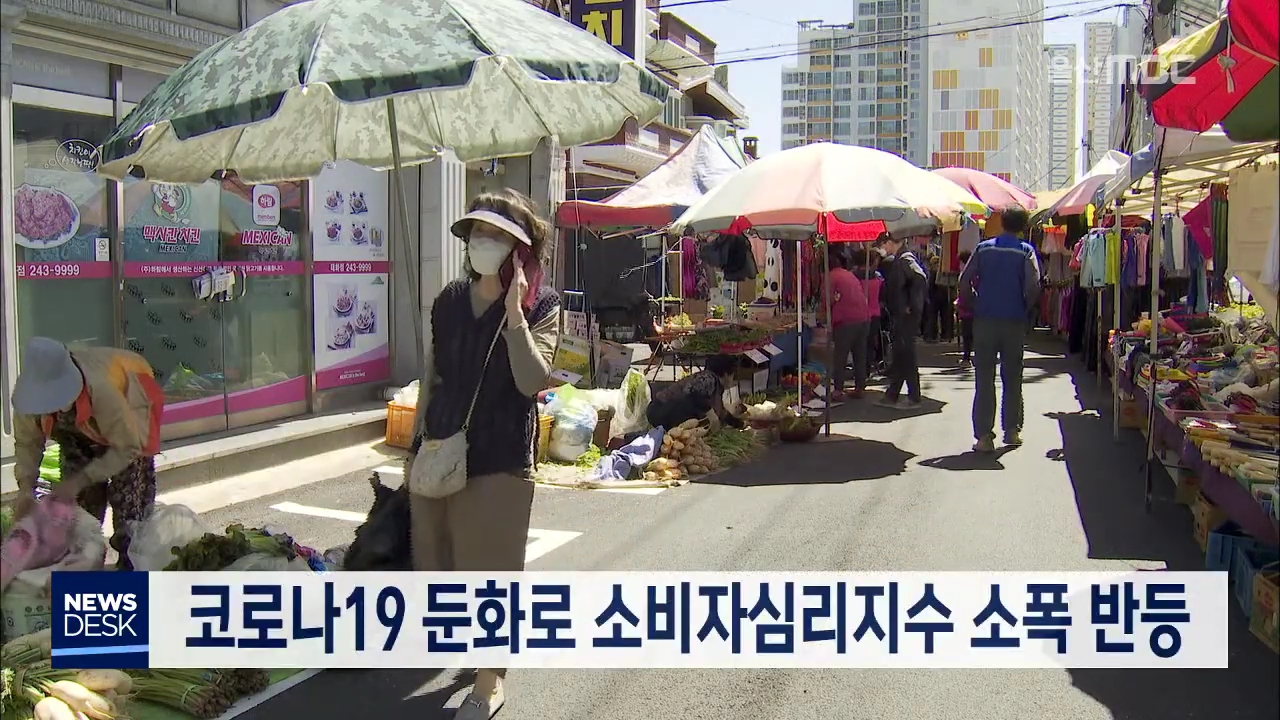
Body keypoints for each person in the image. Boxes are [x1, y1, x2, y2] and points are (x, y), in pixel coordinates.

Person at [408, 188, 561, 720]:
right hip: (439, 446)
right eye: (477, 233)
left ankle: (490, 680)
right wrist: (414, 445)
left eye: (497, 235)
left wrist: (515, 313)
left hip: (500, 455)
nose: (482, 243)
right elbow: (433, 376)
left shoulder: (542, 306)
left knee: (491, 571)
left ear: (520, 249)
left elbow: (532, 380)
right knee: (440, 565)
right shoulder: (449, 301)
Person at [10, 338, 165, 570]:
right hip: (81, 432)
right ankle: (84, 567)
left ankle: (132, 570)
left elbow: (127, 448)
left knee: (129, 506)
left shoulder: (102, 390)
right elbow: (27, 443)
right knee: (77, 509)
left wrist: (80, 480)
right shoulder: (30, 397)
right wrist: (25, 489)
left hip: (130, 410)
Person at [958, 206, 1041, 452]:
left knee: (984, 377)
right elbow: (1033, 286)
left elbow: (964, 281)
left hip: (985, 320)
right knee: (1012, 376)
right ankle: (1012, 430)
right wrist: (1024, 307)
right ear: (1023, 226)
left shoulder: (984, 248)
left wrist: (974, 303)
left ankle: (984, 436)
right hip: (1013, 321)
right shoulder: (1025, 251)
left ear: (1001, 223)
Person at [876, 234, 927, 408]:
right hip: (901, 314)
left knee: (906, 354)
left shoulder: (905, 259)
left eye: (883, 245)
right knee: (900, 355)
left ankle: (913, 396)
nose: (883, 249)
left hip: (906, 315)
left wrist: (910, 305)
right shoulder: (901, 259)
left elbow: (919, 278)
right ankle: (892, 394)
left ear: (890, 243)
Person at [646, 354, 745, 431]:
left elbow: (722, 412)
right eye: (733, 375)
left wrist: (740, 424)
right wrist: (709, 411)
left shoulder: (716, 386)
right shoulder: (708, 379)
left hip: (666, 412)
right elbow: (692, 394)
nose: (733, 379)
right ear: (726, 374)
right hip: (661, 411)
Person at [822, 246, 872, 399]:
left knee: (840, 355)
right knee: (859, 354)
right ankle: (860, 387)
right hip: (863, 317)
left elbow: (826, 300)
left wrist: (824, 315)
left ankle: (838, 389)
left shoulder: (831, 277)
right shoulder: (849, 275)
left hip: (846, 320)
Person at [849, 248, 885, 374]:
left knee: (857, 344)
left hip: (857, 313)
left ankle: (859, 370)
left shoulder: (852, 276)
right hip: (874, 313)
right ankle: (866, 370)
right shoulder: (878, 277)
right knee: (869, 342)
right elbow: (883, 296)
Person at [955, 250, 975, 368]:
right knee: (972, 335)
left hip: (967, 310)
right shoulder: (975, 273)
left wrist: (960, 303)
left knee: (967, 336)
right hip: (973, 309)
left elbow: (964, 293)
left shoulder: (965, 275)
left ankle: (967, 359)